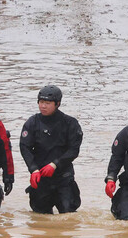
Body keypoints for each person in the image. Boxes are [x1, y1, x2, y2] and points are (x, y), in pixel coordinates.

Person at [19, 85, 83, 214]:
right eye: (41, 102)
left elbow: (73, 150)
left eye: (47, 103)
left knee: (68, 216)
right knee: (40, 219)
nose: (43, 106)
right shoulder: (32, 123)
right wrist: (33, 169)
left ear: (57, 104)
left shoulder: (70, 123)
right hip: (41, 178)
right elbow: (24, 147)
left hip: (64, 177)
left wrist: (55, 165)